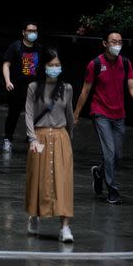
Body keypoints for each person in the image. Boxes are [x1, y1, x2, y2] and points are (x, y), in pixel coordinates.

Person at [73, 29, 133, 205]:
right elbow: (85, 90)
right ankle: (113, 191)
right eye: (113, 41)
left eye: (120, 42)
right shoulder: (95, 64)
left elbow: (132, 88)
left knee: (117, 155)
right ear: (105, 43)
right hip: (100, 113)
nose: (117, 45)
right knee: (109, 153)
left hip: (119, 115)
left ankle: (99, 172)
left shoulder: (125, 63)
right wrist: (76, 114)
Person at [25, 48, 75, 243]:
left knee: (64, 182)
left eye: (57, 65)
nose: (55, 68)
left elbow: (69, 115)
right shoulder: (33, 87)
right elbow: (29, 114)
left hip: (61, 137)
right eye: (51, 65)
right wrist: (32, 138)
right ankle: (33, 215)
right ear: (43, 67)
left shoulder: (67, 88)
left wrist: (69, 137)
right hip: (39, 137)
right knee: (37, 178)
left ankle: (65, 227)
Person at [2, 21, 42, 152]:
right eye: (30, 30)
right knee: (13, 114)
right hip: (17, 87)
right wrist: (8, 81)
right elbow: (6, 64)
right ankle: (8, 139)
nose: (32, 33)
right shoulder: (16, 47)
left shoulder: (39, 49)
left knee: (34, 114)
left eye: (35, 31)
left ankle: (30, 138)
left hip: (33, 88)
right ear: (24, 32)